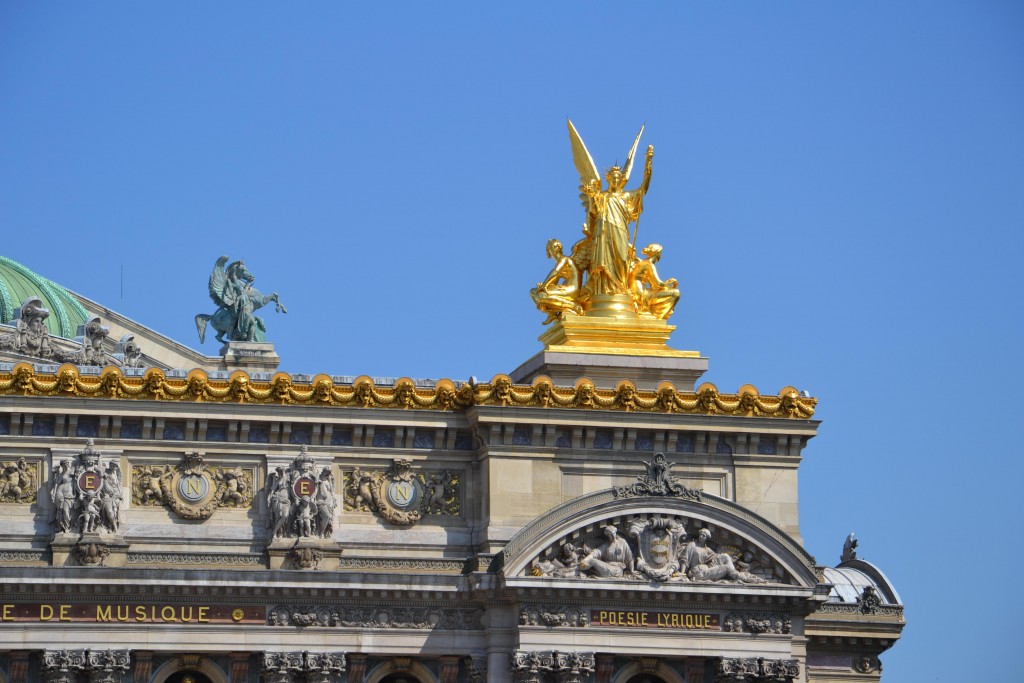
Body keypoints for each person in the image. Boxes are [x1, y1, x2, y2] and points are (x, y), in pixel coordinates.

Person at [580, 146, 654, 297]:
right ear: (608, 179)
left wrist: (648, 164)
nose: (615, 179)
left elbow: (643, 190)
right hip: (603, 230)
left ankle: (620, 288)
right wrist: (590, 196)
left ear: (621, 180)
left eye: (617, 177)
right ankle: (603, 290)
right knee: (603, 261)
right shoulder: (602, 196)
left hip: (620, 230)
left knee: (622, 257)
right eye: (612, 177)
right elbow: (593, 212)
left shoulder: (626, 196)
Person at [530, 239, 584, 323]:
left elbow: (555, 272)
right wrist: (544, 286)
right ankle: (553, 313)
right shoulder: (561, 262)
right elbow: (554, 280)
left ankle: (572, 306)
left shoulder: (565, 259)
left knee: (541, 296)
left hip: (572, 290)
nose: (556, 248)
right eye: (553, 247)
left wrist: (544, 286)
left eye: (557, 246)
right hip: (565, 288)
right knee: (533, 292)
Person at [627, 243, 679, 319]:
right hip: (640, 294)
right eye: (660, 253)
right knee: (676, 293)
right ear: (656, 253)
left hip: (637, 292)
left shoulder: (644, 262)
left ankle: (656, 315)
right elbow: (657, 284)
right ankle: (657, 316)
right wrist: (670, 284)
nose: (661, 255)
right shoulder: (648, 264)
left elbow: (654, 286)